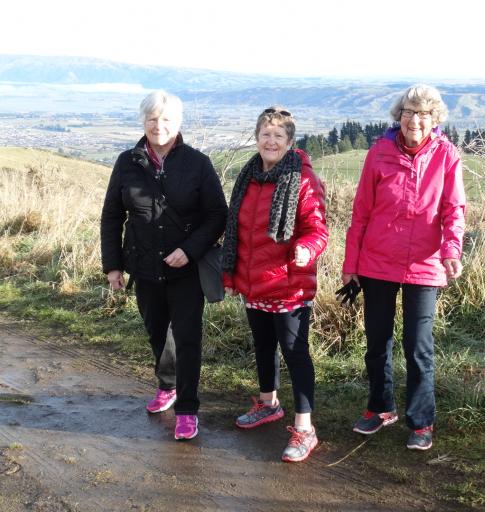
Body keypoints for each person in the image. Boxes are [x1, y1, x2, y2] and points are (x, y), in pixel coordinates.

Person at [342, 85, 466, 451]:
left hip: (425, 265)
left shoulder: (447, 155)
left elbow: (453, 209)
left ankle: (421, 420)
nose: (416, 120)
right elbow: (361, 212)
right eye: (410, 112)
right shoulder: (379, 153)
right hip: (377, 262)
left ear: (435, 119)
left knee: (419, 346)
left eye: (424, 114)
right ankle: (380, 408)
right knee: (376, 342)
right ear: (399, 116)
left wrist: (452, 251)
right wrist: (351, 264)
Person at [100, 90, 227, 441]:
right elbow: (112, 215)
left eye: (166, 119)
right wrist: (113, 266)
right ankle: (167, 385)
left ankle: (187, 408)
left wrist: (189, 250)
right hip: (143, 268)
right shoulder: (127, 162)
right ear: (143, 122)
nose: (159, 125)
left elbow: (217, 214)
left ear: (178, 124)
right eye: (153, 119)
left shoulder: (198, 163)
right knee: (158, 333)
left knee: (187, 338)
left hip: (185, 271)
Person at [223, 107, 328, 462]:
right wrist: (233, 272)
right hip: (254, 282)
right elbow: (238, 228)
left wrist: (305, 248)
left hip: (288, 284)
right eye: (265, 134)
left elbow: (318, 230)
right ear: (257, 138)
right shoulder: (248, 176)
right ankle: (268, 404)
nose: (270, 141)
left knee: (295, 353)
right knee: (263, 345)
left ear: (290, 142)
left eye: (278, 136)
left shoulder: (303, 179)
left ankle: (305, 427)